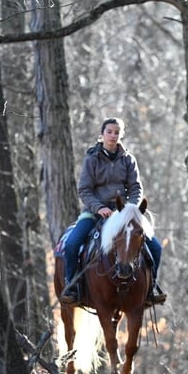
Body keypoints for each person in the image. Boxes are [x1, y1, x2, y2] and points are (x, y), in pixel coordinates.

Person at [60, 117, 165, 305]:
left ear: (120, 135)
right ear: (102, 134)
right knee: (72, 243)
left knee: (155, 247)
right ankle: (72, 285)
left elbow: (136, 188)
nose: (113, 135)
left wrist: (129, 209)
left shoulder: (128, 160)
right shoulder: (91, 159)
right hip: (95, 212)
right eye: (109, 131)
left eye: (117, 132)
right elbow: (84, 190)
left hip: (125, 213)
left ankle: (151, 288)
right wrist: (99, 207)